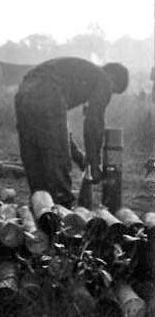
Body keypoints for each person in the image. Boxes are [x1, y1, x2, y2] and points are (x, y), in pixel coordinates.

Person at [15, 57, 129, 208]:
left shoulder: (80, 74)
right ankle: (63, 210)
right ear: (113, 79)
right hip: (47, 91)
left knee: (34, 156)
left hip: (23, 92)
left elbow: (57, 131)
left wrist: (80, 158)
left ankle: (40, 206)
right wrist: (94, 164)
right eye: (112, 91)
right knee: (58, 158)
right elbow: (93, 123)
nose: (107, 95)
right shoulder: (103, 79)